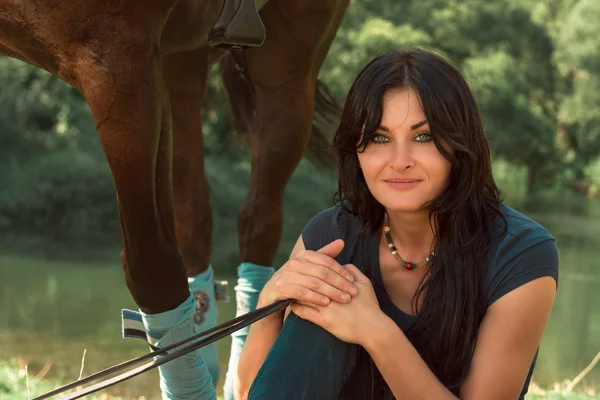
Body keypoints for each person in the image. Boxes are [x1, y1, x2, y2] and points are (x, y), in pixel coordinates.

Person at [134, 48, 558, 400]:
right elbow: (250, 392)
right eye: (378, 137)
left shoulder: (520, 254)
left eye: (424, 137)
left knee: (338, 300)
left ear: (461, 144)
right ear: (355, 148)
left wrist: (375, 330)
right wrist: (269, 304)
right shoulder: (330, 236)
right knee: (324, 298)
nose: (399, 160)